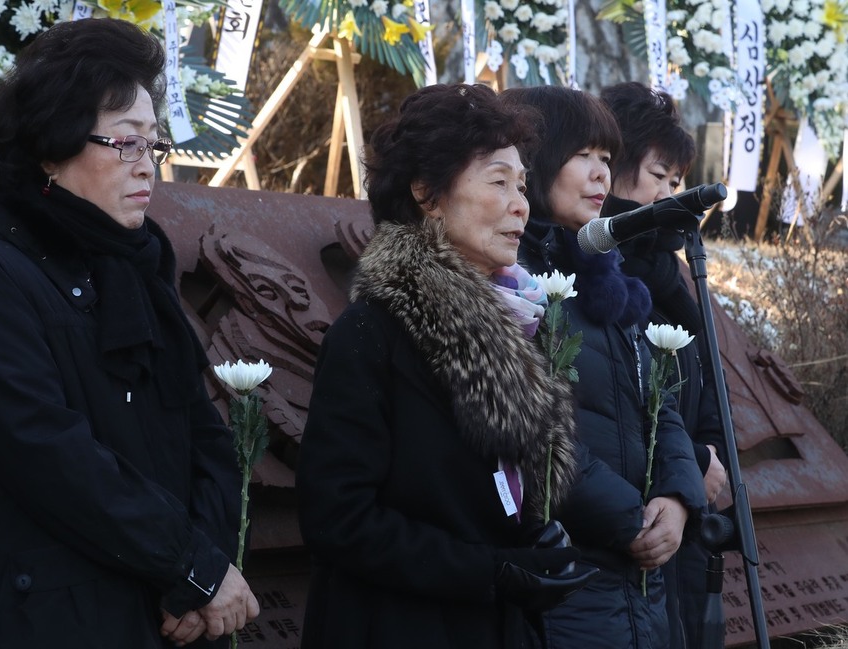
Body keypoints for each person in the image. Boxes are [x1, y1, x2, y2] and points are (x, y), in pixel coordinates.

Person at [0, 18, 258, 649]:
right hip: (43, 619)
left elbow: (204, 437)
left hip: (161, 614)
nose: (148, 168)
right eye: (126, 143)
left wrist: (204, 573)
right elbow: (49, 456)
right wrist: (190, 566)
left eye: (154, 147)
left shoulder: (135, 269)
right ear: (51, 149)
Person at [296, 83, 596, 649]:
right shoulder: (371, 335)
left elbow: (495, 498)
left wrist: (537, 541)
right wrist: (488, 571)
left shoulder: (516, 327)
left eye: (523, 186)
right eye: (498, 182)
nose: (521, 205)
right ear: (427, 193)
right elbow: (338, 520)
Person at [502, 85, 706, 648]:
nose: (600, 176)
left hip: (642, 581)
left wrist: (678, 497)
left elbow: (656, 404)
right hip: (569, 575)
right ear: (535, 160)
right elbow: (533, 433)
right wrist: (633, 518)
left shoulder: (606, 277)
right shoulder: (509, 281)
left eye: (608, 160)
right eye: (583, 156)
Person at [601, 80, 728, 649]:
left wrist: (707, 458)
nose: (671, 194)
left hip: (688, 524)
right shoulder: (598, 271)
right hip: (628, 530)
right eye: (659, 176)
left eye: (677, 182)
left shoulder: (672, 274)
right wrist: (691, 463)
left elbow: (702, 386)